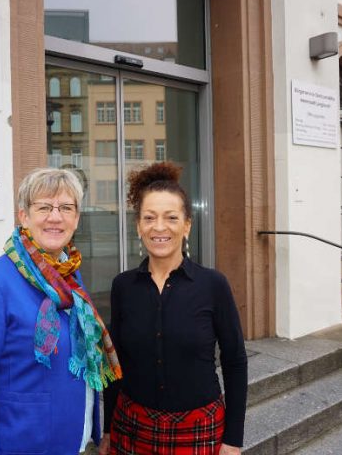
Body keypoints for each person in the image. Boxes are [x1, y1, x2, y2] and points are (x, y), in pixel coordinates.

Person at [0, 168, 122, 455]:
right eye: (44, 207)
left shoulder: (70, 276)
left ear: (77, 218)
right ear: (24, 216)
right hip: (24, 443)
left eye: (66, 208)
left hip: (77, 439)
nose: (55, 217)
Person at [99, 162, 248, 455]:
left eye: (171, 217)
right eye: (149, 217)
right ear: (138, 225)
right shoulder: (123, 287)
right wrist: (107, 429)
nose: (159, 227)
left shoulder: (213, 284)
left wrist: (233, 439)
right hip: (132, 426)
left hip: (198, 428)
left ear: (187, 225)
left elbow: (235, 362)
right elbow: (114, 365)